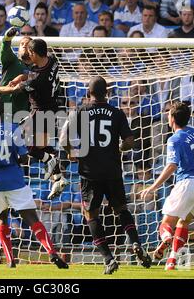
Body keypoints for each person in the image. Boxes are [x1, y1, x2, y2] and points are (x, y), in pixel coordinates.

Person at [60, 76, 152, 274]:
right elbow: (129, 140)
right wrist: (120, 147)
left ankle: (108, 259)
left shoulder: (79, 111)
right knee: (122, 210)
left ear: (88, 93)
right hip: (112, 171)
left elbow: (63, 139)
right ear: (107, 93)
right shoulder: (117, 113)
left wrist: (71, 153)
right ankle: (136, 243)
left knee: (91, 215)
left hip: (89, 172)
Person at [0, 98, 69, 269]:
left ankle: (10, 260)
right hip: (15, 180)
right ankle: (51, 252)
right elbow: (23, 157)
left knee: (1, 219)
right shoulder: (14, 129)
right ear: (4, 114)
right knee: (32, 219)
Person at [140, 101, 194, 270]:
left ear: (173, 118)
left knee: (165, 223)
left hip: (188, 182)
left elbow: (171, 166)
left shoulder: (174, 139)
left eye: (168, 113)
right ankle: (172, 260)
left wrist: (153, 186)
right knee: (184, 222)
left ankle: (166, 238)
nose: (167, 116)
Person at [0, 38, 67, 189]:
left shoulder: (38, 80)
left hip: (39, 112)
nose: (28, 55)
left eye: (29, 52)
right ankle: (58, 175)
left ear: (34, 53)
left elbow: (13, 89)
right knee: (41, 145)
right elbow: (32, 73)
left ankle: (50, 161)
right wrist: (20, 77)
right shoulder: (52, 60)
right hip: (52, 108)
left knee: (22, 143)